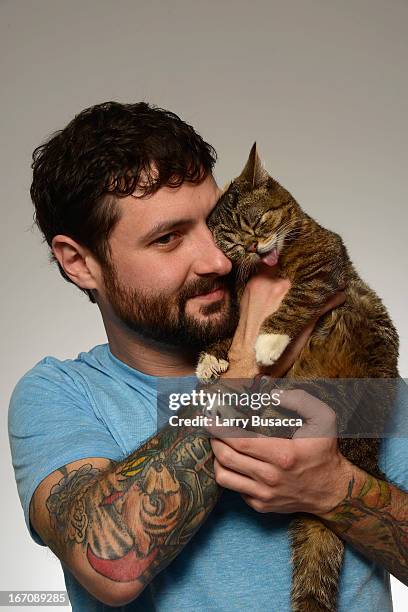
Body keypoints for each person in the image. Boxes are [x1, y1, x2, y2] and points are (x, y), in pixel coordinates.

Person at [8, 101, 408, 611]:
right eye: (169, 238)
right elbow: (111, 563)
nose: (219, 259)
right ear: (79, 262)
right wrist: (248, 365)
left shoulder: (333, 341)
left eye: (213, 222)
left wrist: (334, 489)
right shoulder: (60, 394)